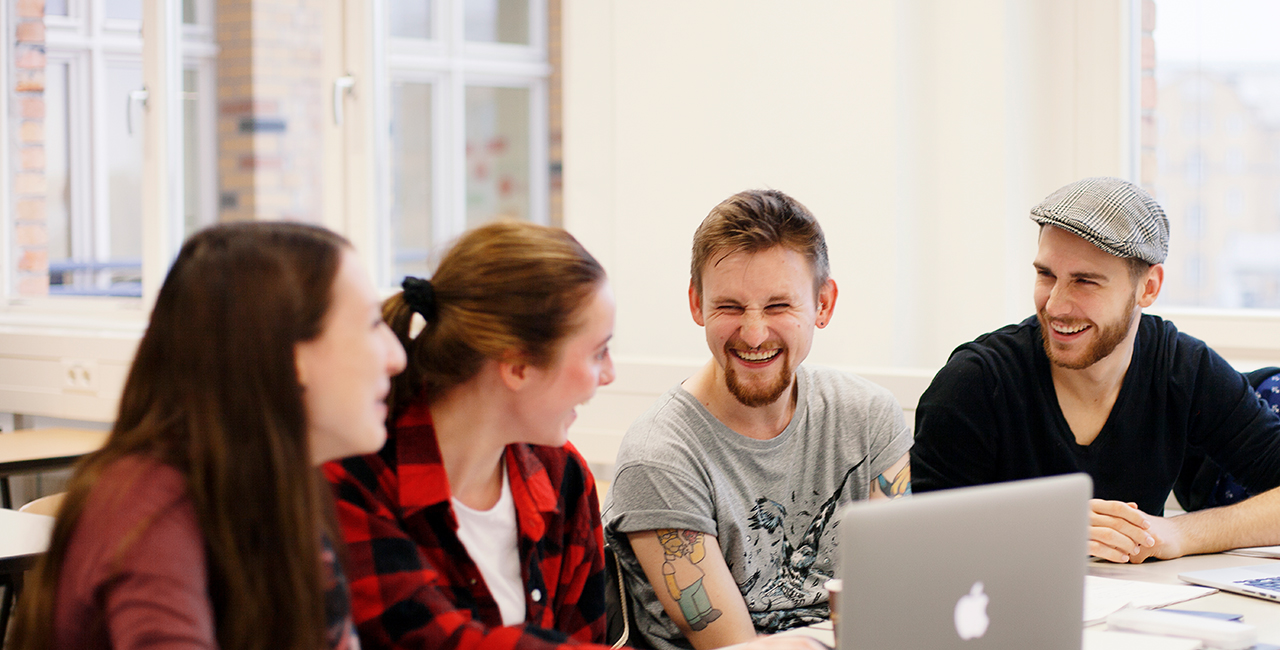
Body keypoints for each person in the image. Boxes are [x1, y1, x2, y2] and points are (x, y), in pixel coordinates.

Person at [11, 221, 407, 650]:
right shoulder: (148, 505)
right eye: (371, 324)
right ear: (292, 356)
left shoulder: (282, 483)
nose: (397, 357)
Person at [602, 189, 913, 650]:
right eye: (729, 307)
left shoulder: (868, 419)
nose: (753, 333)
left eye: (778, 306)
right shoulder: (659, 458)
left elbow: (897, 602)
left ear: (823, 304)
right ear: (696, 304)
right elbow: (733, 648)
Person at [912, 176, 1280, 564]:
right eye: (1046, 275)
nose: (1055, 305)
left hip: (1146, 614)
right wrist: (1048, 530)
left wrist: (1178, 532)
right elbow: (928, 544)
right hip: (1000, 615)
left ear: (1148, 288)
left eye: (1084, 281)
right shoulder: (975, 383)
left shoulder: (1181, 368)